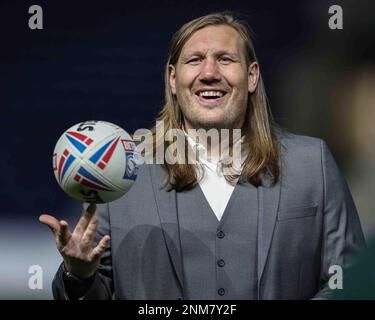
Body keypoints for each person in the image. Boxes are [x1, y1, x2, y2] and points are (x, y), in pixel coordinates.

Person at [39, 12, 365, 300]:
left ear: (252, 76)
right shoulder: (122, 170)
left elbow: (351, 284)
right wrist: (78, 275)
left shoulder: (311, 163)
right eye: (194, 60)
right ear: (172, 78)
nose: (209, 73)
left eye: (225, 59)